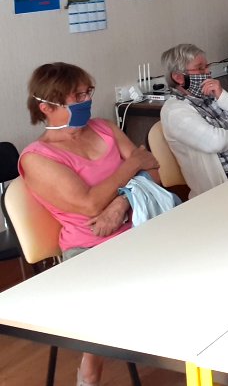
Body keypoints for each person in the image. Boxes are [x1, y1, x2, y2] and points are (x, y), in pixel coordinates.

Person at [19, 63, 162, 386]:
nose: (86, 101)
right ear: (46, 107)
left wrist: (122, 202)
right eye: (76, 96)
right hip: (90, 249)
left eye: (88, 92)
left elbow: (153, 172)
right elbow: (89, 204)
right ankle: (90, 367)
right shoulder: (37, 157)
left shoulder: (105, 128)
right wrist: (132, 165)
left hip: (141, 226)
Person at [160, 44, 228, 198]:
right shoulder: (175, 111)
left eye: (207, 66)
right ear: (179, 77)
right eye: (200, 68)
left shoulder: (211, 95)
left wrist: (223, 96)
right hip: (227, 181)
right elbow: (215, 142)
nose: (207, 72)